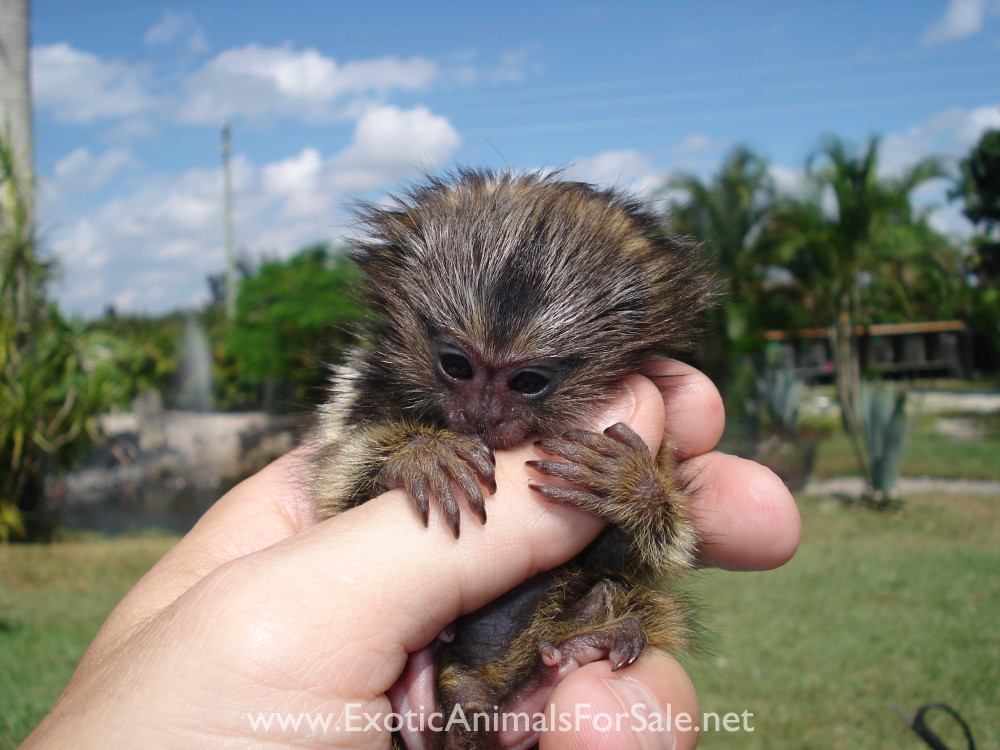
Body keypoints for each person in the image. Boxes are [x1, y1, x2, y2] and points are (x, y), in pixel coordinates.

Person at [19, 360, 800, 750]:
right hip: (423, 679)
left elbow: (662, 549)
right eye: (456, 366)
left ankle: (537, 690)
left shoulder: (628, 433)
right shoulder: (390, 404)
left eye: (527, 379)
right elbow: (341, 488)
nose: (483, 408)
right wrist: (410, 454)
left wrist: (643, 496)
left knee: (623, 617)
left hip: (554, 646)